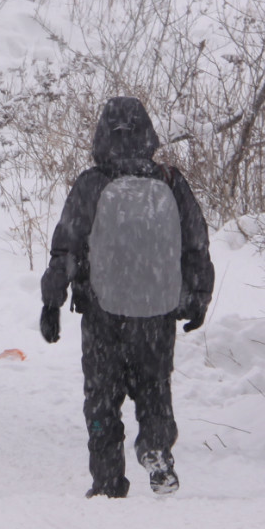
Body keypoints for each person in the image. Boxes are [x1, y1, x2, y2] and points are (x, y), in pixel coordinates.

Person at [39, 97, 214, 498]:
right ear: (147, 134)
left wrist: (52, 301)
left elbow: (66, 246)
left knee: (102, 398)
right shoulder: (170, 182)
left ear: (102, 135)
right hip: (156, 312)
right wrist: (198, 295)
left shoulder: (92, 184)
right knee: (154, 388)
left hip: (102, 312)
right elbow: (196, 243)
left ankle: (107, 482)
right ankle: (155, 445)